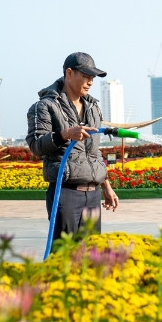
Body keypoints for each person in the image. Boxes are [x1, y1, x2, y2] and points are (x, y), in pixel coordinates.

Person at [27, 53, 117, 243]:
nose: (90, 82)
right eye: (85, 76)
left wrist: (106, 186)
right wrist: (65, 134)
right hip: (65, 193)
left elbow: (93, 152)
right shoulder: (44, 107)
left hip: (93, 195)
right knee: (63, 255)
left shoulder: (93, 108)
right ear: (69, 73)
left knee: (91, 255)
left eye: (92, 78)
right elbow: (36, 145)